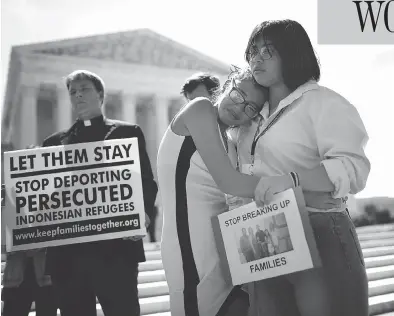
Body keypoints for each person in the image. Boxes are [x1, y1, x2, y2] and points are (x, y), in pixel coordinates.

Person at [157, 66, 342, 316]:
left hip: (224, 247)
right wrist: (302, 190)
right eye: (238, 95)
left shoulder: (231, 142)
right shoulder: (200, 109)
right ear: (227, 85)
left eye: (250, 108)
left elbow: (245, 193)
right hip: (190, 246)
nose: (239, 107)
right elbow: (229, 182)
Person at [240, 19, 370, 316]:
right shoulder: (252, 117)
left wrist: (292, 180)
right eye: (253, 51)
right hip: (265, 237)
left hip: (320, 231)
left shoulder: (323, 102)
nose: (256, 58)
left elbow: (353, 168)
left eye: (268, 51)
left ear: (292, 53)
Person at [42, 70, 158, 316]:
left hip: (116, 255)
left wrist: (144, 214)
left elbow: (146, 182)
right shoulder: (52, 144)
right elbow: (47, 196)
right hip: (69, 259)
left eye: (84, 89)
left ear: (101, 95)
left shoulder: (127, 134)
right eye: (73, 92)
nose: (78, 95)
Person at [2, 150, 58, 316]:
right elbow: (3, 243)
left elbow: (61, 234)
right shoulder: (7, 201)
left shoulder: (53, 201)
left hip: (45, 277)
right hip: (17, 277)